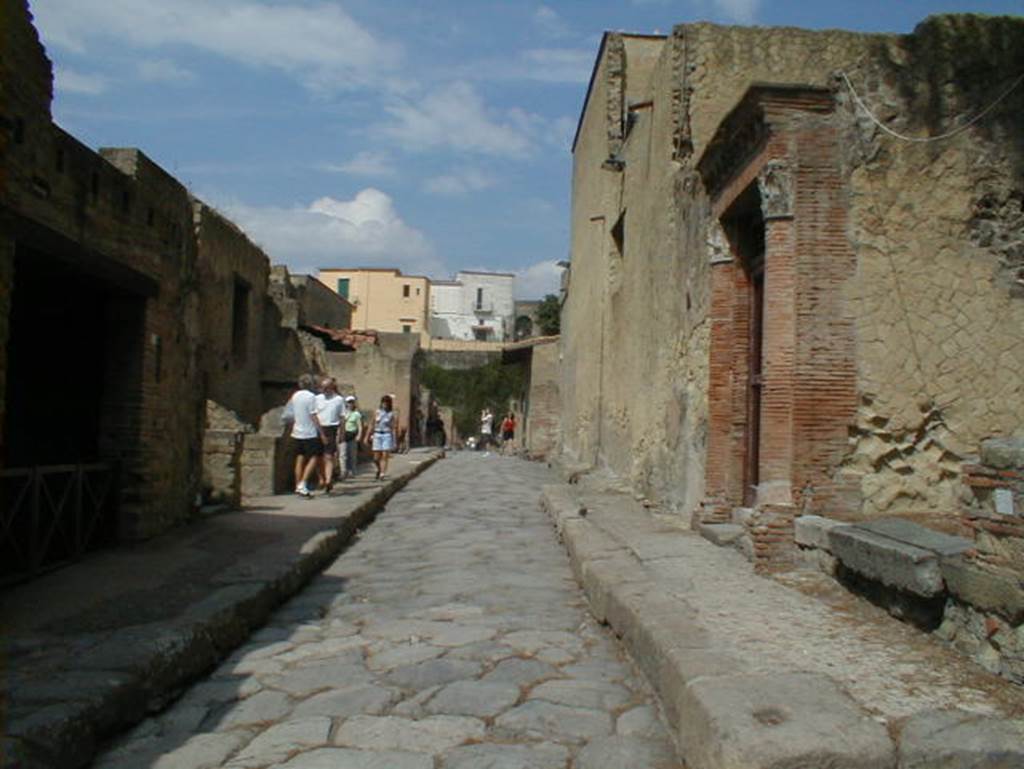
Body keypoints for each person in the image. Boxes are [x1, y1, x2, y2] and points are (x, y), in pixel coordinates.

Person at [286, 374, 325, 497]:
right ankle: (303, 482)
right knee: (314, 457)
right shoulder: (311, 397)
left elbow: (291, 414)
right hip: (309, 432)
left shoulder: (295, 396)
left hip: (297, 432)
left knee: (300, 458)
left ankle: (298, 485)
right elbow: (313, 415)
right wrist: (322, 433)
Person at [314, 377, 345, 493]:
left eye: (326, 387)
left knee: (329, 456)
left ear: (332, 387)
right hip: (318, 428)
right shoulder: (317, 399)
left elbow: (342, 417)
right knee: (318, 457)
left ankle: (328, 480)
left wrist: (342, 433)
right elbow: (314, 414)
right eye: (323, 387)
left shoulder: (339, 400)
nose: (324, 389)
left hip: (331, 429)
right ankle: (321, 478)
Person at [370, 394, 397, 480]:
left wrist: (394, 440)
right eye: (383, 402)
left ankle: (382, 473)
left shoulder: (391, 414)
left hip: (386, 434)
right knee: (376, 457)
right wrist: (369, 434)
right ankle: (379, 469)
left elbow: (393, 427)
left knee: (385, 455)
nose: (385, 404)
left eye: (387, 403)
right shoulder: (377, 412)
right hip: (377, 434)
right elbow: (372, 424)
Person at [341, 394, 364, 479]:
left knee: (352, 455)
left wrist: (359, 435)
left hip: (352, 435)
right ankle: (343, 471)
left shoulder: (356, 414)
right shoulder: (343, 413)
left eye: (352, 402)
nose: (350, 404)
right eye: (348, 402)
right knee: (343, 455)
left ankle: (352, 471)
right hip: (343, 435)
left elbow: (360, 426)